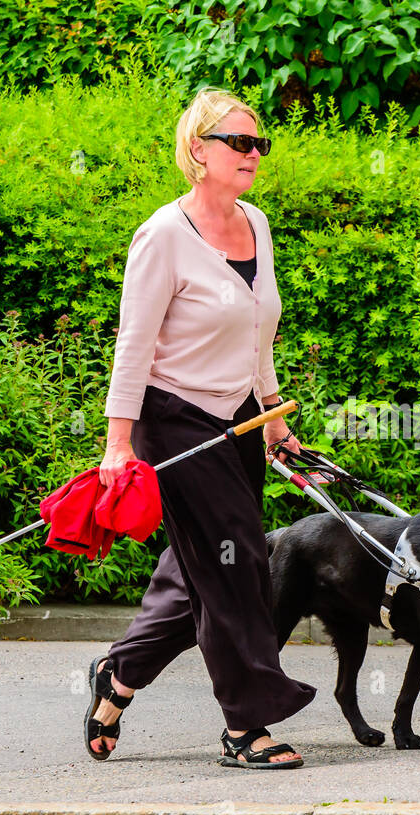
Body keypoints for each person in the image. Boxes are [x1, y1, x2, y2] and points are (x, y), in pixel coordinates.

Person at [84, 85, 316, 769]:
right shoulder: (163, 235)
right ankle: (247, 726)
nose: (253, 154)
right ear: (197, 150)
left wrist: (273, 416)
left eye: (259, 143)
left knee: (200, 571)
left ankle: (117, 677)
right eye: (238, 142)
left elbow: (257, 333)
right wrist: (118, 443)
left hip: (241, 420)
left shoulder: (257, 224)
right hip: (176, 420)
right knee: (237, 558)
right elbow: (134, 344)